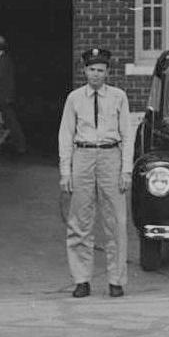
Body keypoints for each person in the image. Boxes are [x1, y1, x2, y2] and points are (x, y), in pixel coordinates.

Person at [58, 47, 134, 299]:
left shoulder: (119, 97)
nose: (96, 74)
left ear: (108, 72)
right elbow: (65, 134)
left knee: (116, 222)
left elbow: (127, 135)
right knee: (79, 220)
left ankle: (116, 280)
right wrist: (65, 171)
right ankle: (81, 279)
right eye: (92, 69)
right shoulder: (74, 98)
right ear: (84, 70)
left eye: (101, 70)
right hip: (83, 155)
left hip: (110, 156)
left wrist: (126, 170)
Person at [0, 33, 27, 155]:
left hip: (4, 96)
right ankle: (17, 144)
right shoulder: (1, 59)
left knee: (10, 121)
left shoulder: (2, 60)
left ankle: (20, 145)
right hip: (3, 96)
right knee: (7, 121)